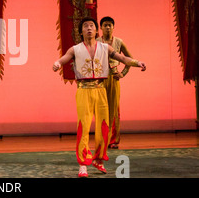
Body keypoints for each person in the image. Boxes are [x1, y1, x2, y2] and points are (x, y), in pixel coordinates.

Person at [52, 17, 146, 177]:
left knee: (104, 127)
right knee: (83, 126)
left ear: (96, 31)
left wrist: (137, 63)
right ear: (81, 31)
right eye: (86, 26)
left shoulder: (105, 48)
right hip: (84, 91)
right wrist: (57, 64)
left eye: (92, 26)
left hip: (100, 89)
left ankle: (99, 160)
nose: (89, 28)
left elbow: (123, 58)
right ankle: (83, 164)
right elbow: (63, 59)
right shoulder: (75, 49)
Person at [97, 16, 132, 149]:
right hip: (100, 80)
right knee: (100, 109)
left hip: (113, 78)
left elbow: (129, 59)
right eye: (105, 25)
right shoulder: (96, 42)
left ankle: (113, 140)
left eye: (109, 25)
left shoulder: (119, 42)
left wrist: (122, 73)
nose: (107, 27)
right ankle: (102, 139)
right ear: (100, 28)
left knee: (114, 109)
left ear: (113, 27)